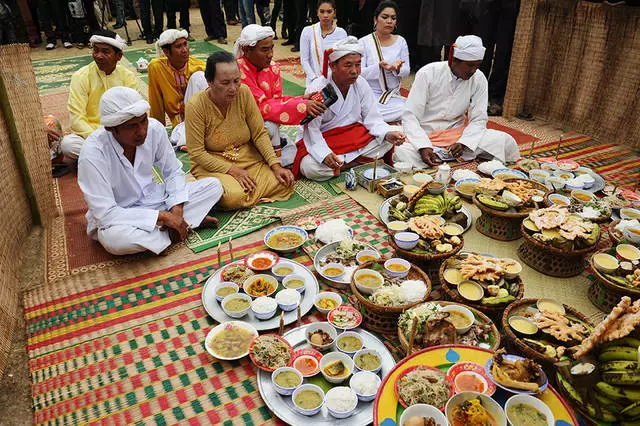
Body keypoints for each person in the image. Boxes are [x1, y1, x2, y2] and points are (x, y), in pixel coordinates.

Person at [78, 87, 223, 255]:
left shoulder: (155, 129)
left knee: (214, 186)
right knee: (115, 241)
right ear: (111, 128)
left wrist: (177, 211)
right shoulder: (92, 153)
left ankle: (174, 227)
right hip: (123, 216)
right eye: (132, 126)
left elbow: (173, 172)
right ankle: (179, 228)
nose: (141, 131)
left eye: (143, 121)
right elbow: (105, 214)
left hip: (156, 199)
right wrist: (162, 217)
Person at [185, 51, 295, 209]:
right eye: (225, 83)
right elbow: (197, 153)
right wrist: (232, 171)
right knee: (233, 197)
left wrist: (275, 165)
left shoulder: (244, 93)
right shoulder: (196, 106)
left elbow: (259, 134)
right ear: (209, 81)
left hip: (247, 158)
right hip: (213, 162)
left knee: (284, 182)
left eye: (236, 81)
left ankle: (243, 195)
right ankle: (234, 193)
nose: (233, 88)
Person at [394, 35, 520, 168]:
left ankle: (442, 157)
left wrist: (464, 142)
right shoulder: (428, 73)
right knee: (401, 149)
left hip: (456, 135)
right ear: (454, 60)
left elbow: (479, 119)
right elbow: (410, 116)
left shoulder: (479, 78)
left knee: (503, 140)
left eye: (477, 65)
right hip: (425, 133)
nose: (473, 71)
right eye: (470, 65)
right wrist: (422, 146)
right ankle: (434, 155)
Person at [292, 36, 406, 181]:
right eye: (348, 65)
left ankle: (345, 164)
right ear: (333, 66)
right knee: (309, 167)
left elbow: (373, 118)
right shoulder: (318, 88)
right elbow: (311, 130)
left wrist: (386, 133)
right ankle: (357, 162)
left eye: (358, 65)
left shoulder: (361, 83)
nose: (354, 71)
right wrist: (324, 154)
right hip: (325, 139)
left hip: (353, 136)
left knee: (393, 134)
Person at [235, 24, 327, 165]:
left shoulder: (273, 68)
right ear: (247, 50)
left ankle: (271, 155)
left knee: (293, 153)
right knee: (271, 126)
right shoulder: (238, 70)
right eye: (264, 50)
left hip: (265, 122)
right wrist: (300, 106)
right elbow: (261, 107)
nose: (270, 54)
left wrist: (301, 99)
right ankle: (269, 159)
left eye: (271, 48)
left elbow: (276, 101)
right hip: (242, 124)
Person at [61, 31, 138, 161]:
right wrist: (100, 139)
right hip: (92, 136)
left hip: (121, 134)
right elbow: (77, 119)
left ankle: (102, 159)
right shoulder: (81, 76)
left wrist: (119, 136)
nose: (98, 56)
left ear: (118, 56)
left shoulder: (127, 77)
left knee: (151, 129)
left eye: (105, 52)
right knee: (68, 145)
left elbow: (133, 112)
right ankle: (116, 158)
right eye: (95, 50)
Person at [359, 1, 409, 123]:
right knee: (361, 109)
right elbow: (358, 73)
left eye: (393, 18)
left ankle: (371, 118)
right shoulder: (363, 42)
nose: (389, 21)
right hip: (370, 94)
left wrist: (396, 69)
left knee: (408, 109)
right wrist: (378, 67)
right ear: (376, 19)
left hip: (392, 95)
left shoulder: (401, 41)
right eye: (385, 17)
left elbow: (406, 71)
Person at [148, 29, 206, 127]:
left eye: (185, 44)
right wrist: (157, 128)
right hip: (178, 123)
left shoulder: (200, 66)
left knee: (199, 76)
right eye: (178, 46)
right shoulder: (156, 67)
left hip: (200, 116)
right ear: (166, 52)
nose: (185, 50)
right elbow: (155, 101)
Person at [300, 0, 347, 87]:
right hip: (313, 80)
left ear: (334, 13)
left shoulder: (341, 33)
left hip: (335, 80)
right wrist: (315, 80)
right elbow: (304, 60)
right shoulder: (308, 31)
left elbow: (343, 60)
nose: (325, 15)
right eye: (322, 11)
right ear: (317, 12)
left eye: (329, 12)